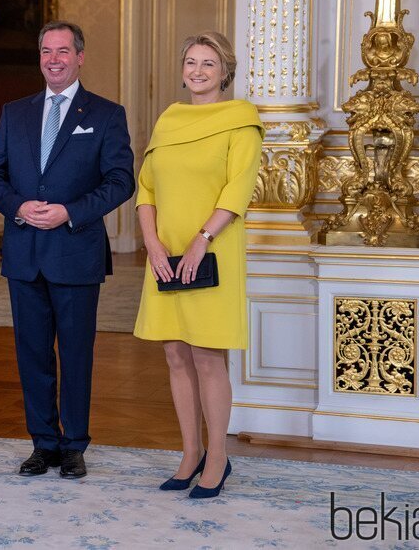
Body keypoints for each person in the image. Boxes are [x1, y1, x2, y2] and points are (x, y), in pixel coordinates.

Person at [0, 21, 135, 479]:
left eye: (63, 51)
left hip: (75, 252)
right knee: (32, 354)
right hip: (25, 253)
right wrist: (18, 207)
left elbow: (120, 180)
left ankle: (74, 446)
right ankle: (42, 444)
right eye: (46, 51)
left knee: (75, 354)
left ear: (80, 56)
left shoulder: (107, 114)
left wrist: (71, 211)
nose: (54, 59)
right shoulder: (15, 112)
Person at [133, 31, 263, 498]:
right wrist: (150, 242)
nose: (198, 71)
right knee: (174, 352)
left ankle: (219, 458)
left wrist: (201, 241)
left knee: (208, 355)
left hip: (213, 250)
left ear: (225, 72)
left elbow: (237, 189)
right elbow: (145, 186)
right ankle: (190, 453)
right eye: (191, 61)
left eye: (208, 63)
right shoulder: (169, 120)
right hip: (165, 250)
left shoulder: (241, 122)